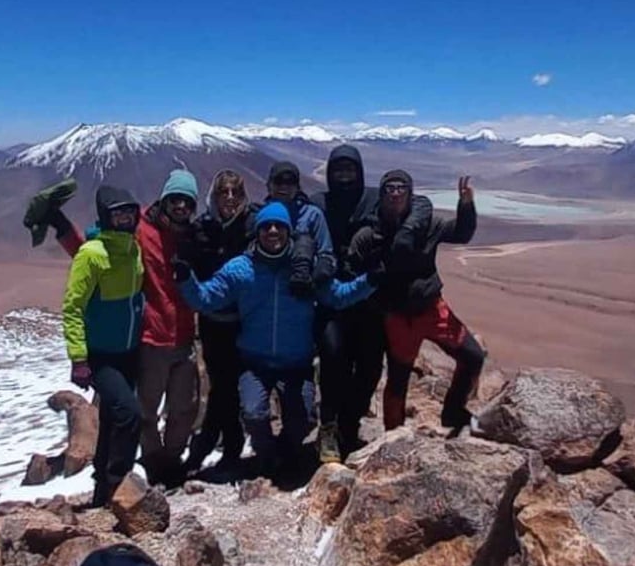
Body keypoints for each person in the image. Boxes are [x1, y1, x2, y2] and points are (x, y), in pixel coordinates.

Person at [177, 202, 377, 480]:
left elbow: (339, 295)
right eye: (266, 226)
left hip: (296, 364)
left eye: (279, 226)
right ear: (257, 232)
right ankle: (267, 457)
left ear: (288, 232)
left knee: (304, 420)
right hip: (255, 363)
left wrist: (371, 280)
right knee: (254, 414)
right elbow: (206, 298)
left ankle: (286, 452)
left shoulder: (303, 269)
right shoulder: (241, 270)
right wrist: (186, 278)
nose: (273, 231)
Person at [38, 172, 201, 486]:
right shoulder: (139, 230)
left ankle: (172, 460)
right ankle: (153, 466)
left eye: (187, 202)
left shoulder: (194, 235)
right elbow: (95, 251)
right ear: (163, 200)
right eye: (175, 199)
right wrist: (60, 225)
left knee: (184, 409)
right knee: (145, 412)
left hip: (185, 338)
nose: (180, 206)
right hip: (152, 339)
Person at [312, 146, 434, 460]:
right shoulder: (318, 203)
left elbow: (417, 202)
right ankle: (328, 427)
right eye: (338, 170)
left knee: (368, 369)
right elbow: (286, 211)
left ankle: (349, 427)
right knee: (333, 359)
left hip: (371, 299)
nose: (343, 176)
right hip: (332, 299)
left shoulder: (372, 198)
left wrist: (407, 229)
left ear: (360, 171)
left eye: (349, 170)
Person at [349, 172, 484, 431]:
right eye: (390, 188)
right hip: (397, 317)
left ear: (410, 193)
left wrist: (466, 205)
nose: (396, 193)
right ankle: (393, 434)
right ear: (382, 194)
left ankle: (454, 411)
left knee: (472, 356)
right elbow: (352, 264)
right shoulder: (370, 234)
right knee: (398, 380)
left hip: (433, 309)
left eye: (402, 188)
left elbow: (461, 233)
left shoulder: (428, 225)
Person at [62, 186, 147, 507]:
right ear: (105, 217)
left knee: (113, 418)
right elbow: (72, 306)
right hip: (101, 356)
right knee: (129, 414)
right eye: (117, 213)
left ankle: (101, 492)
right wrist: (79, 358)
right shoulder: (92, 254)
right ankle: (118, 483)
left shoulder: (133, 249)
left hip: (129, 351)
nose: (125, 218)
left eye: (129, 211)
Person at [180, 169, 258, 476]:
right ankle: (227, 445)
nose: (229, 199)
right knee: (222, 385)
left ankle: (218, 445)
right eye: (223, 192)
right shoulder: (201, 229)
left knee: (234, 385)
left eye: (235, 193)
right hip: (212, 321)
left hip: (243, 320)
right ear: (214, 196)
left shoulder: (252, 226)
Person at [264, 161, 335, 299]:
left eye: (290, 182)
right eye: (279, 182)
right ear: (269, 186)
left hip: (304, 286)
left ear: (298, 187)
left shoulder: (312, 214)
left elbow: (326, 253)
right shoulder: (260, 215)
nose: (284, 187)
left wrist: (318, 275)